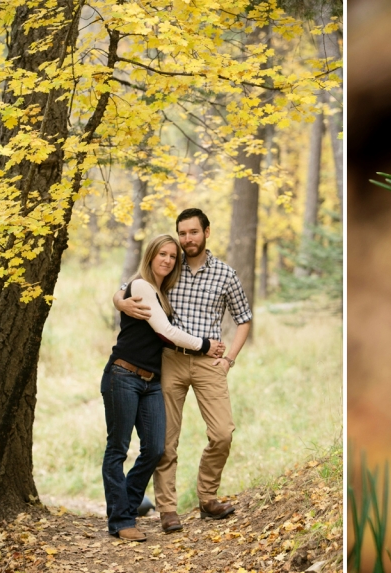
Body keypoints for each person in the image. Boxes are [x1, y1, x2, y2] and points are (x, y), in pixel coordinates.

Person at [114, 208, 252, 533]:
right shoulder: (168, 267)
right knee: (166, 440)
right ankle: (167, 510)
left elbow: (244, 319)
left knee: (222, 434)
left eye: (193, 232)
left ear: (207, 232)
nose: (188, 238)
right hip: (170, 360)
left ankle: (207, 498)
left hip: (209, 363)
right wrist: (119, 302)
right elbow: (128, 287)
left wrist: (229, 358)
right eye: (183, 233)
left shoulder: (225, 274)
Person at [102, 234, 223, 542]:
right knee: (118, 448)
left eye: (172, 255)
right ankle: (121, 520)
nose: (168, 260)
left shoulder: (161, 291)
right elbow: (165, 331)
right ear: (151, 256)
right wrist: (206, 345)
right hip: (123, 375)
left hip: (152, 381)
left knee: (156, 448)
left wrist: (117, 296)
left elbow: (124, 293)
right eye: (162, 254)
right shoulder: (142, 285)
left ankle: (127, 506)